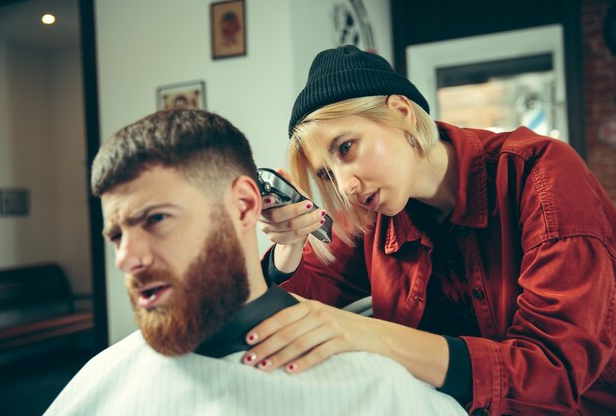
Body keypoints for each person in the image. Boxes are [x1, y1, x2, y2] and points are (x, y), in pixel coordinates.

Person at [249, 45, 616, 416]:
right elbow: (290, 303)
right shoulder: (374, 211)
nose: (345, 187)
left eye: (346, 147)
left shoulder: (542, 175)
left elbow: (553, 373)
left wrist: (366, 334)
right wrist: (288, 248)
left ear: (402, 114)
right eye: (327, 174)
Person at [43, 109, 467, 416]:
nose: (126, 259)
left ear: (245, 205)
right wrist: (287, 254)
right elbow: (303, 280)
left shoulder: (380, 391)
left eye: (156, 219)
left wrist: (363, 332)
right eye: (116, 235)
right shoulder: (98, 382)